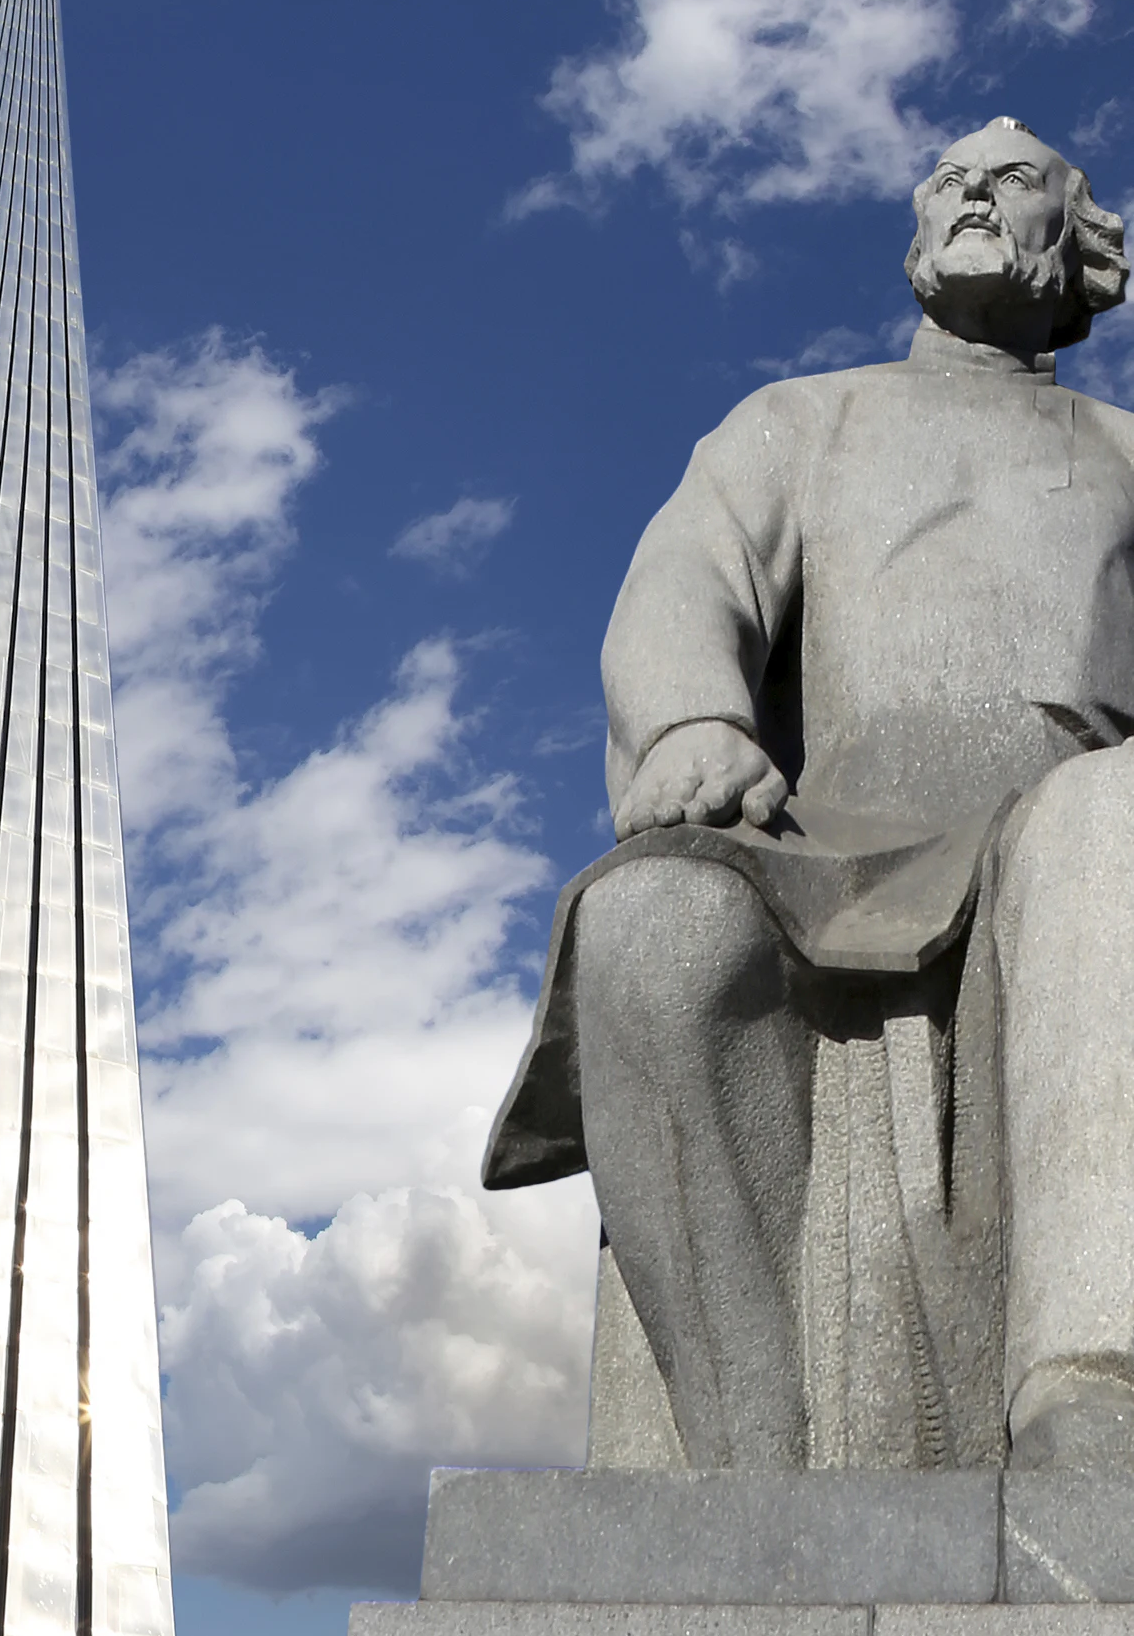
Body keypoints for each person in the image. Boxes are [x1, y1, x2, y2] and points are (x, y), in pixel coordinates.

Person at [486, 118, 1134, 1470]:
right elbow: (687, 582)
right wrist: (693, 722)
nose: (972, 194)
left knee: (1108, 827)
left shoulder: (1125, 452)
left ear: (1075, 241)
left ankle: (1092, 1394)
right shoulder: (803, 422)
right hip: (834, 828)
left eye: (1014, 179)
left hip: (1071, 820)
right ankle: (745, 1464)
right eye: (948, 178)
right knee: (653, 924)